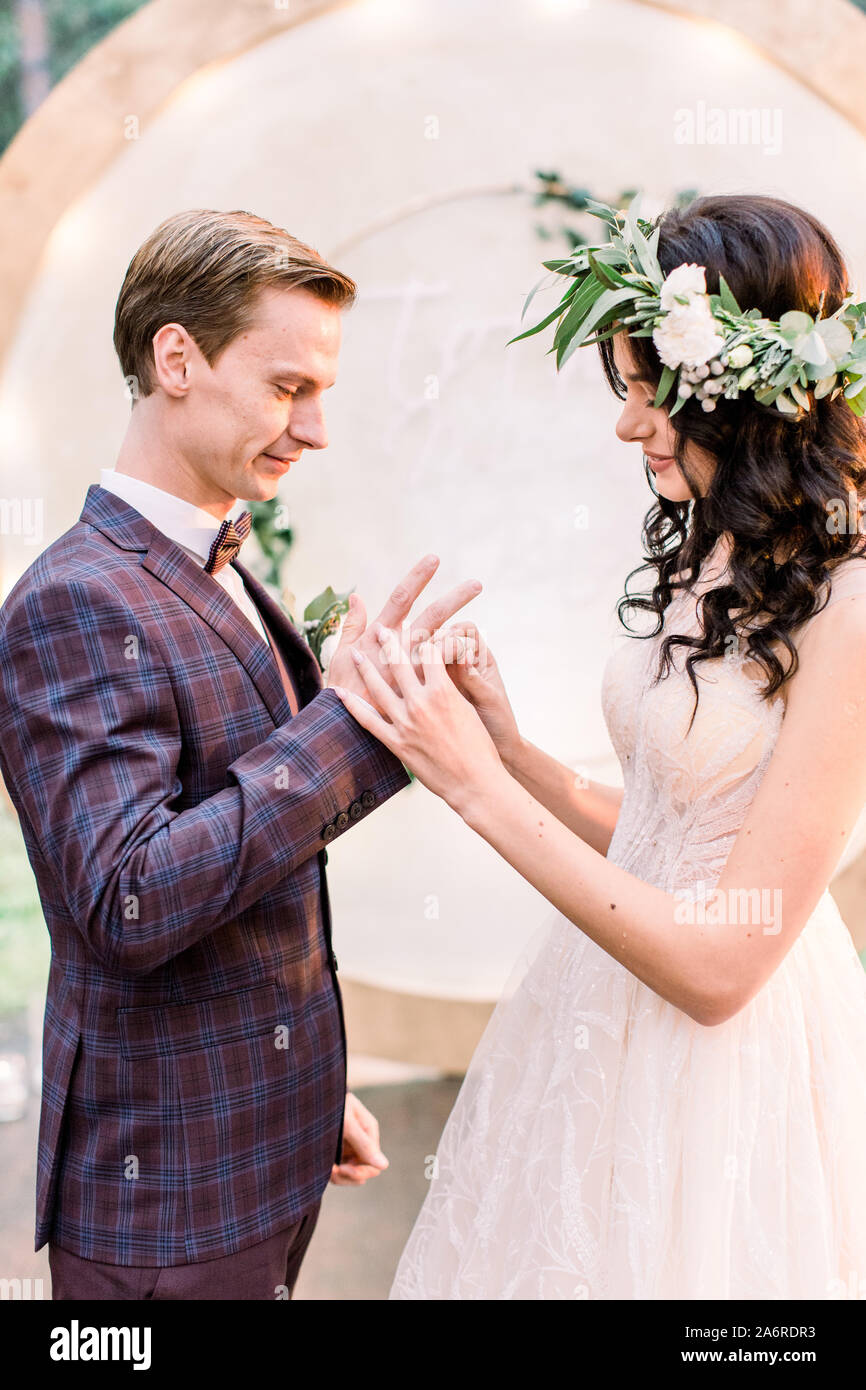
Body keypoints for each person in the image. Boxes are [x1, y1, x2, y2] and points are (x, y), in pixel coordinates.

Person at [331, 192, 866, 1299]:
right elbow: (667, 837)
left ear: (728, 387)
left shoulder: (850, 606)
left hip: (728, 1059)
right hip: (599, 1009)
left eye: (642, 392)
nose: (625, 427)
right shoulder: (713, 550)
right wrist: (510, 749)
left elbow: (719, 968)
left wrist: (479, 792)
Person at [0, 208, 482, 1300]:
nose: (313, 429)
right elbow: (128, 900)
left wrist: (304, 1094)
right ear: (177, 357)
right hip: (164, 1207)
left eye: (322, 394)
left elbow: (257, 865)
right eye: (286, 387)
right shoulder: (75, 601)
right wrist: (351, 719)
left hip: (256, 1150)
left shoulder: (225, 557)